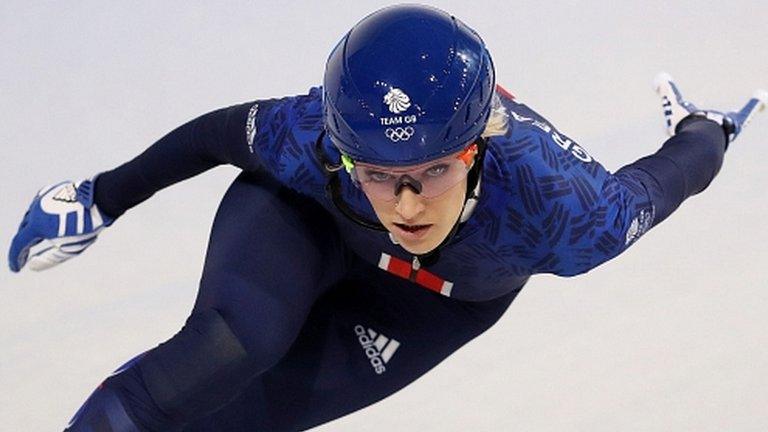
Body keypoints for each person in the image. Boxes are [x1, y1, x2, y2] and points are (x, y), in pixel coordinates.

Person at [8, 4, 766, 431]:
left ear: (477, 149)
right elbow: (216, 136)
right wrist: (101, 196)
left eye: (431, 171)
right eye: (379, 174)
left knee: (240, 424)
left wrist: (706, 131)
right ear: (343, 152)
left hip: (427, 305)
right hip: (305, 223)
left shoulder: (562, 209)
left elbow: (657, 188)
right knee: (222, 354)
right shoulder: (311, 136)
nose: (406, 204)